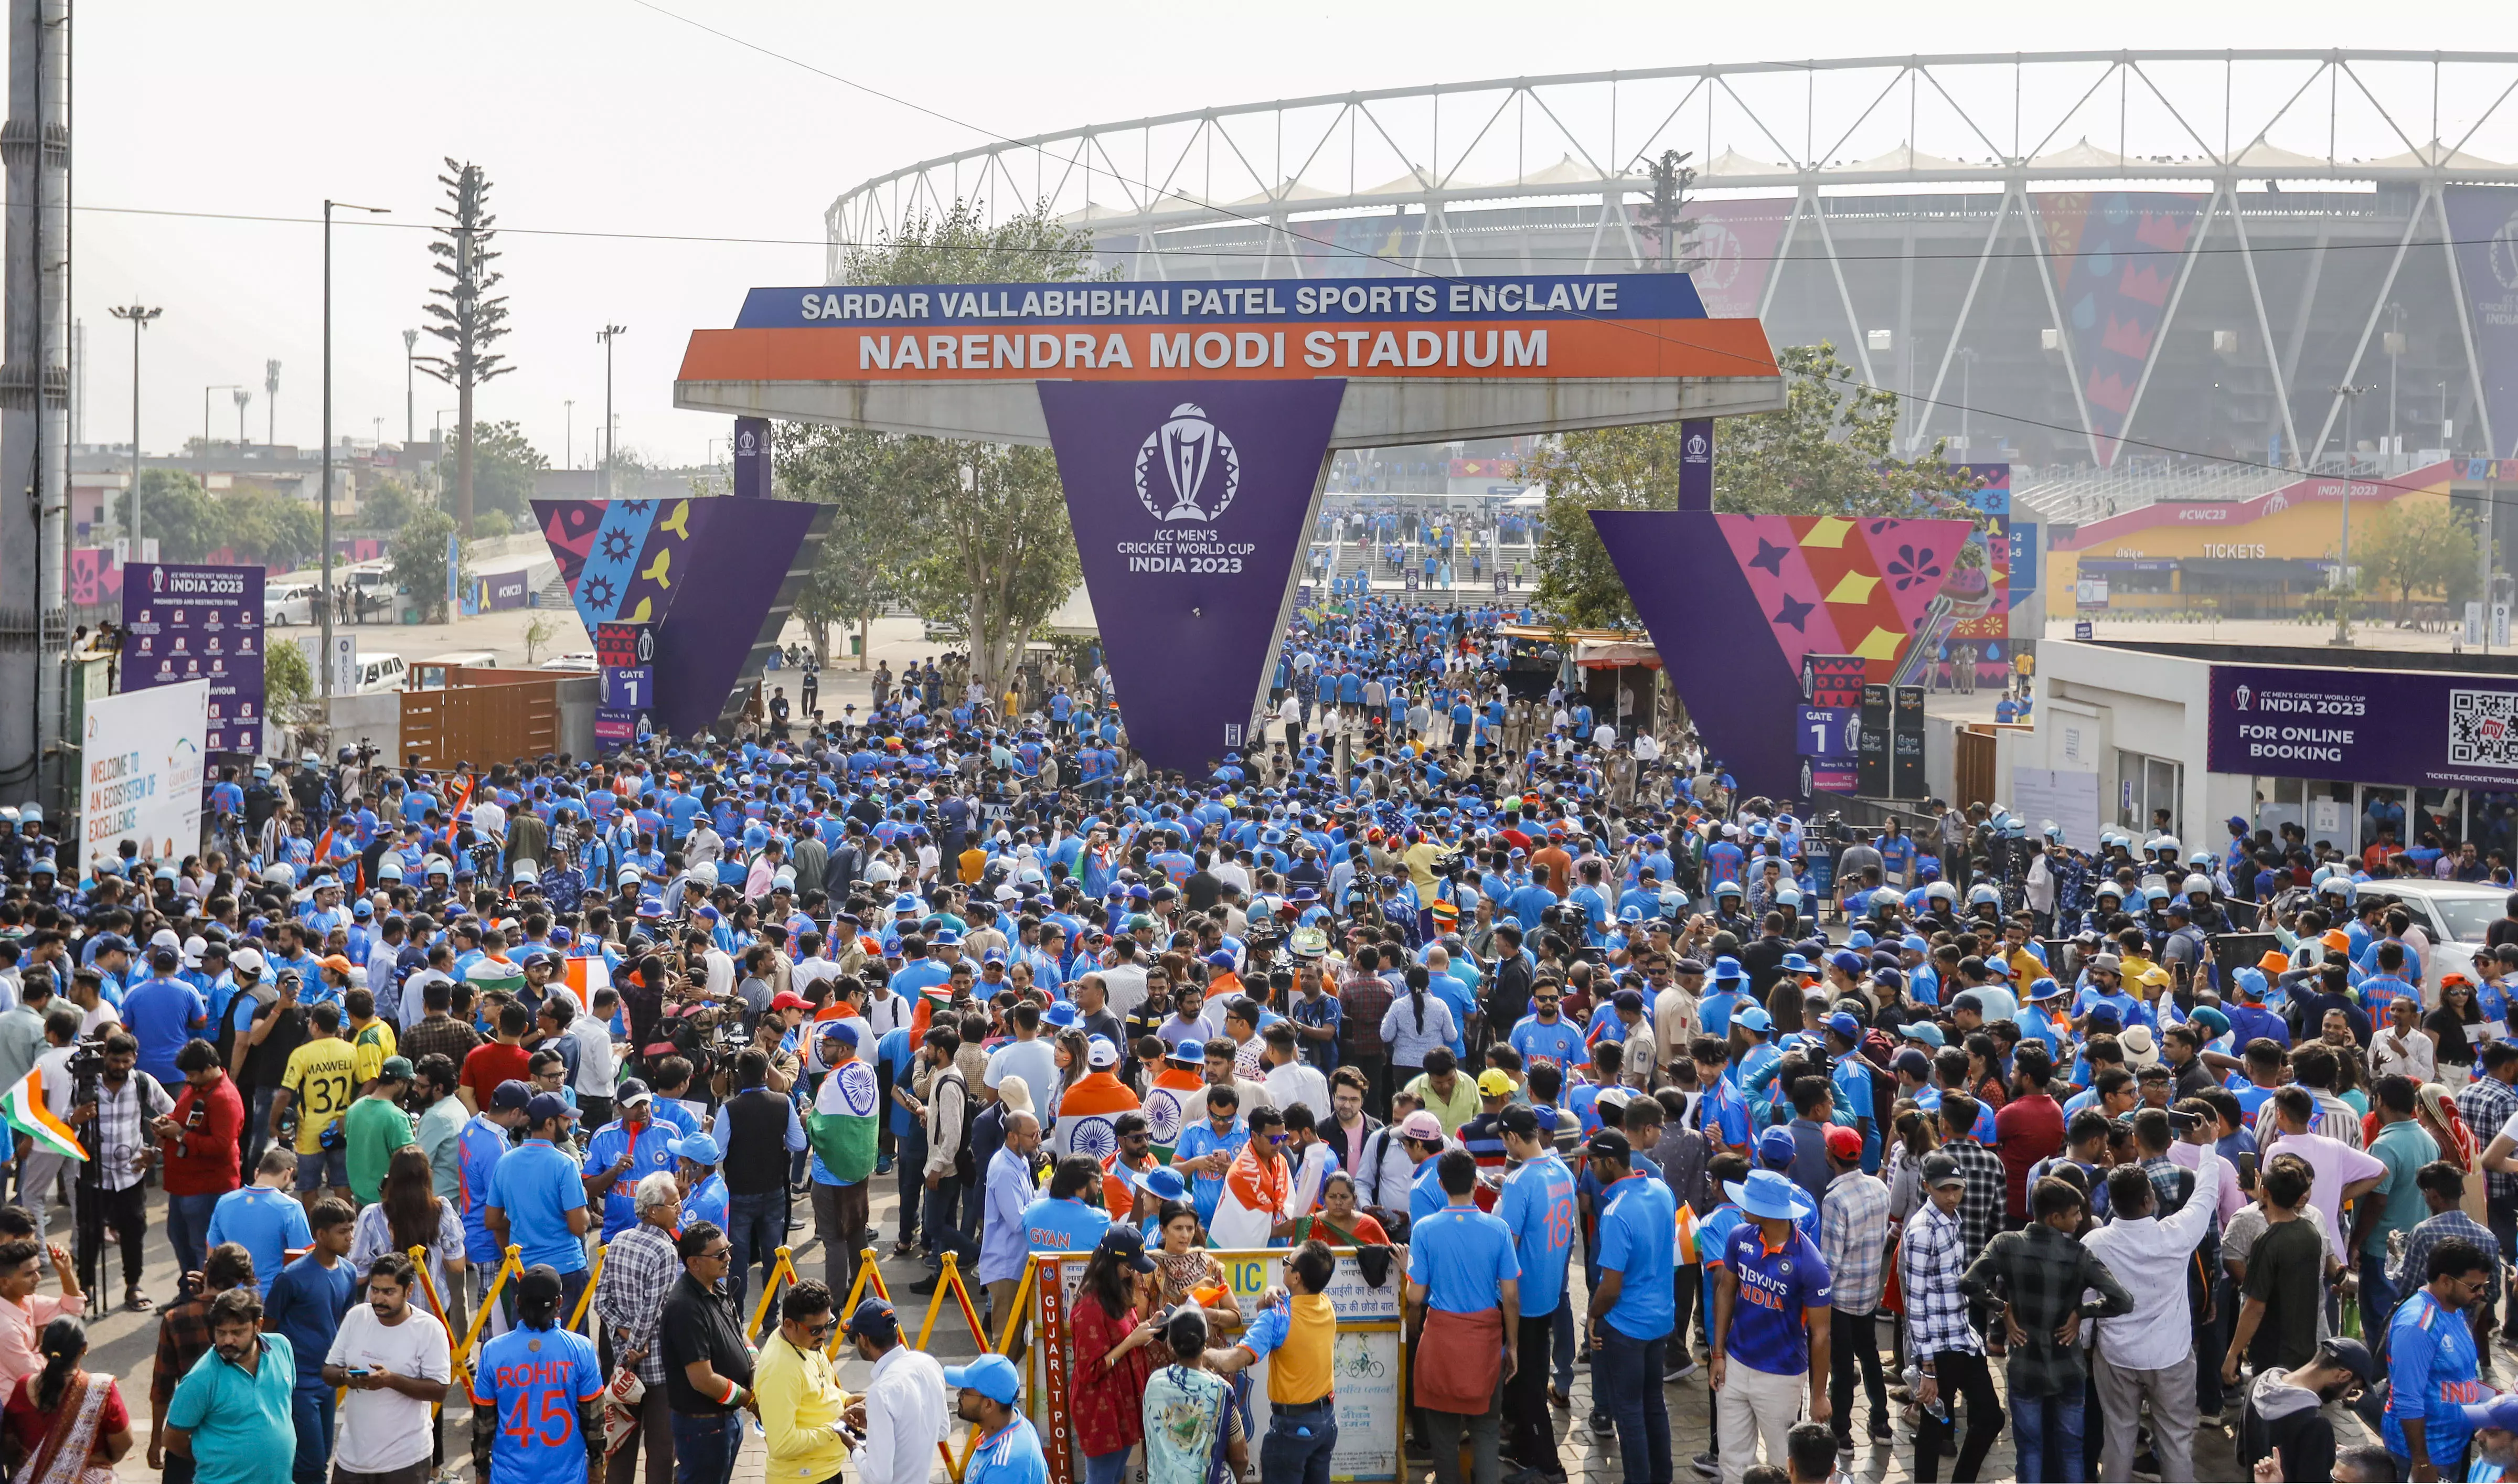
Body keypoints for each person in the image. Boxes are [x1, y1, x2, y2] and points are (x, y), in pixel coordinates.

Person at [2083, 1140, 2225, 1484]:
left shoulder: (2095, 1243)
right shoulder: (2174, 1234)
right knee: (2176, 1441)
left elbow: (2086, 1303)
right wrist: (2208, 1146)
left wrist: (2086, 1344)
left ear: (2113, 1202)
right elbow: (2206, 1194)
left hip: (2116, 1357)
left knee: (2118, 1437)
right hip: (2171, 1357)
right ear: (2148, 1199)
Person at [1709, 1167, 1830, 1484]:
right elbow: (1726, 1290)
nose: (1741, 1206)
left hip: (1782, 1378)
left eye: (1748, 1201)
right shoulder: (1739, 1238)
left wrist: (1819, 1396)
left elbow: (1821, 1335)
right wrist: (1718, 1354)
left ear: (1768, 1211)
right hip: (1734, 1366)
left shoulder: (1810, 1263)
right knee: (1732, 1462)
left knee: (1784, 1464)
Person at [1407, 1148, 1521, 1484]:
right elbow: (1511, 1296)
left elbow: (1415, 1296)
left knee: (1444, 1442)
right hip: (1485, 1346)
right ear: (1476, 1182)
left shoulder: (1425, 1230)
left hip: (1441, 1344)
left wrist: (1407, 1271)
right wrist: (1512, 1346)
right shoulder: (1498, 1229)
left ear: (1441, 1184)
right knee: (1486, 1433)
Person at [1898, 1154, 1998, 1484]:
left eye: (1957, 1188)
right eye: (1945, 1189)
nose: (1952, 1195)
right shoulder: (1923, 1230)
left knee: (1990, 1417)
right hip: (1938, 1348)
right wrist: (1926, 1368)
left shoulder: (1952, 1219)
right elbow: (1915, 1303)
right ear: (1927, 1187)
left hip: (1962, 1337)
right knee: (1934, 1428)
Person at [1210, 1238, 1340, 1484]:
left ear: (1296, 1277)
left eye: (1286, 1263)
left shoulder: (1278, 1317)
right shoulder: (1325, 1304)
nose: (1284, 1267)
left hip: (1293, 1429)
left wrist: (1204, 1354)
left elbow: (1233, 1362)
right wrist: (1268, 1294)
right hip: (1326, 1422)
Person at [318, 1252, 450, 1484]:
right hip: (352, 1459)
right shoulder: (356, 1317)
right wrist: (346, 1376)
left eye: (388, 1292)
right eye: (375, 1290)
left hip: (406, 1462)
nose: (378, 1299)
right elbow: (328, 1372)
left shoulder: (429, 1329)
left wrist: (391, 1381)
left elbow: (439, 1391)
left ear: (408, 1291)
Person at [1495, 1106, 1574, 1484]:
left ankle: (1550, 1466)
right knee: (1531, 1371)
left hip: (1523, 1295)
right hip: (1549, 1290)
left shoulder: (1518, 1182)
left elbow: (1507, 1244)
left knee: (1527, 1384)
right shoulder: (1561, 1171)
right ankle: (1524, 1448)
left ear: (1511, 1138)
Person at [467, 1266, 603, 1484]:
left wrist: (482, 1471)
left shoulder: (494, 1351)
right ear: (559, 1303)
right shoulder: (581, 1349)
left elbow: (484, 1422)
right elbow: (593, 1419)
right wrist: (597, 1466)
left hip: (508, 1477)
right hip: (568, 1477)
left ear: (518, 1302)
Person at [73, 1030, 173, 1310]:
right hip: (92, 1174)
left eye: (126, 1062)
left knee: (133, 1230)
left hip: (131, 1174)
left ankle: (133, 1286)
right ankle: (87, 1288)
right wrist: (74, 1119)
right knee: (89, 1233)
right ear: (105, 1057)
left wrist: (157, 1151)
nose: (119, 1067)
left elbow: (173, 1115)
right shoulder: (85, 1086)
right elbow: (58, 1124)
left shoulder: (143, 1083)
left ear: (135, 1060)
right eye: (115, 1060)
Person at [594, 1172, 683, 1484]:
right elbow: (653, 1308)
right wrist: (636, 1345)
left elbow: (601, 1301)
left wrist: (622, 1334)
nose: (681, 1208)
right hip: (656, 1366)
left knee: (621, 1444)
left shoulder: (618, 1241)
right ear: (654, 1211)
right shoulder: (666, 1250)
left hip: (622, 1365)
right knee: (661, 1451)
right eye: (674, 1204)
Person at [2384, 1236, 2493, 1483]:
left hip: (2453, 1448)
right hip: (2424, 1456)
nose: (2481, 1293)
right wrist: (2422, 1462)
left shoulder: (2453, 1311)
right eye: (2474, 1287)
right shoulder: (2418, 1326)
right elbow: (2408, 1398)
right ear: (2445, 1281)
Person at [262, 1197, 355, 1484]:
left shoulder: (349, 1272)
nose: (350, 1237)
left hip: (328, 1382)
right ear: (320, 1235)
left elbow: (343, 1323)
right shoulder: (291, 1279)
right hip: (297, 1385)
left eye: (352, 1229)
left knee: (323, 1454)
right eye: (342, 1231)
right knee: (312, 1464)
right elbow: (268, 1331)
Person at [163, 1288, 297, 1484]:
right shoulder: (200, 1379)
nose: (227, 1340)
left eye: (237, 1332)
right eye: (221, 1332)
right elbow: (173, 1439)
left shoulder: (282, 1348)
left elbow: (283, 1404)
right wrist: (214, 1459)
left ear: (258, 1325)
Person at [149, 1242, 257, 1483]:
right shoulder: (249, 1319)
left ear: (207, 1268)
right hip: (235, 1434)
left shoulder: (176, 1318)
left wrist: (156, 1441)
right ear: (242, 1281)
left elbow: (162, 1388)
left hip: (187, 1434)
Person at [1065, 1225, 1163, 1484]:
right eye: (1129, 1267)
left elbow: (1124, 1336)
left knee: (1115, 1474)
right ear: (1111, 1263)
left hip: (1125, 1403)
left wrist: (1148, 1326)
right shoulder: (1088, 1307)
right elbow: (1089, 1370)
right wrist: (1131, 1341)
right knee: (1101, 1478)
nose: (1133, 1273)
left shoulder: (1117, 1291)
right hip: (1102, 1409)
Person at [660, 1221, 756, 1484]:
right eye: (719, 1255)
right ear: (694, 1263)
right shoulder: (685, 1308)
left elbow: (738, 1333)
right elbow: (702, 1379)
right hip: (704, 1429)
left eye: (728, 1249)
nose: (729, 1258)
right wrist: (751, 1401)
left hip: (726, 1420)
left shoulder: (716, 1286)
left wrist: (755, 1365)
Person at [485, 1093, 593, 1321]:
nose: (571, 1124)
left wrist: (525, 1217)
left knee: (526, 1347)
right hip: (566, 1270)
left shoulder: (505, 1162)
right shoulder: (565, 1164)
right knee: (569, 1347)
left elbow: (493, 1221)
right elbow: (579, 1227)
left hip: (521, 1270)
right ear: (550, 1123)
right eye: (566, 1119)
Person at [1818, 1123, 1890, 1453]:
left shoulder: (1835, 1199)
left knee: (1843, 1366)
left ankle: (1842, 1432)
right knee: (1871, 1356)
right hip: (1867, 1292)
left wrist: (1815, 1302)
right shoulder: (1879, 1187)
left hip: (1841, 1298)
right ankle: (1880, 1422)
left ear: (1830, 1156)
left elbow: (1829, 1262)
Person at [347, 1147, 468, 1344]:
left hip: (386, 1312)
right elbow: (457, 1265)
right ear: (428, 1178)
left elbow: (358, 1276)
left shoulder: (372, 1216)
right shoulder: (443, 1210)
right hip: (434, 1309)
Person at [155, 1038, 245, 1284]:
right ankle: (188, 1293)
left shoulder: (225, 1098)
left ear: (208, 1068)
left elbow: (222, 1146)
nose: (188, 1079)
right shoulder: (194, 1087)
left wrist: (180, 1134)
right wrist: (168, 1122)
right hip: (182, 1183)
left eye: (192, 1074)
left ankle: (205, 1299)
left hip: (207, 1187)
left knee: (202, 1247)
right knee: (179, 1238)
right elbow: (182, 1115)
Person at [2, 1316, 130, 1484]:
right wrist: (91, 1462)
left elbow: (9, 1444)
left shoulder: (23, 1387)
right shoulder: (100, 1390)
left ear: (42, 1349)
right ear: (84, 1348)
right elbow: (123, 1443)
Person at [2235, 1336, 2374, 1484]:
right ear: (2344, 1376)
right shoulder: (2316, 1426)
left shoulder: (2257, 1384)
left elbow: (2242, 1455)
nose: (2345, 1396)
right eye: (2352, 1390)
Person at [756, 1279, 852, 1484]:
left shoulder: (806, 1342)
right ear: (789, 1325)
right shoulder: (780, 1371)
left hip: (823, 1471)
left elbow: (823, 1388)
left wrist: (849, 1401)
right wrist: (836, 1427)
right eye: (817, 1330)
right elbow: (781, 1444)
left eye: (829, 1324)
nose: (825, 1335)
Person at [1140, 1309, 1246, 1484]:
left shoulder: (1154, 1384)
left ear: (1170, 1346)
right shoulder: (1221, 1391)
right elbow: (1241, 1456)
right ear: (1206, 1342)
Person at [206, 1148, 310, 1300]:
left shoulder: (225, 1202)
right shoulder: (291, 1208)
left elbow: (212, 1255)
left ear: (257, 1172)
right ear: (288, 1174)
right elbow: (301, 1261)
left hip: (230, 1299)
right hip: (272, 1300)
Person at [948, 1353, 1049, 1484]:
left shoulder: (1004, 1466)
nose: (959, 1395)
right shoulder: (1020, 1424)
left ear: (989, 1405)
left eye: (964, 1392)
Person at [340, 1057, 414, 1209]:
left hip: (360, 1200)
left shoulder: (354, 1109)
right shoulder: (397, 1117)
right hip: (389, 1203)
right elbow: (409, 1163)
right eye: (409, 1083)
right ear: (400, 1083)